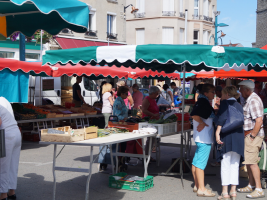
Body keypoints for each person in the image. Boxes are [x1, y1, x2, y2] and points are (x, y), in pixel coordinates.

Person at [214, 86, 244, 200]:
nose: (221, 95)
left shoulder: (225, 103)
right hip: (238, 137)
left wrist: (217, 132)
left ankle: (225, 192)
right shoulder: (240, 106)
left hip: (226, 137)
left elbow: (222, 118)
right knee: (235, 165)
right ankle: (233, 191)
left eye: (222, 93)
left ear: (227, 94)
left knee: (225, 164)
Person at [237, 80, 265, 199]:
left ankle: (258, 189)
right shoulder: (249, 99)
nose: (240, 91)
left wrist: (252, 136)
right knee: (249, 161)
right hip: (249, 135)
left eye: (241, 89)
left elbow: (259, 120)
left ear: (247, 90)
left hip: (252, 135)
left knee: (253, 163)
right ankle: (251, 185)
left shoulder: (253, 100)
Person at [190, 84, 216, 197]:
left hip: (201, 137)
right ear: (206, 93)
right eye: (212, 92)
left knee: (196, 162)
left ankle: (197, 186)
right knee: (200, 164)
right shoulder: (203, 102)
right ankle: (201, 188)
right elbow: (194, 114)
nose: (214, 94)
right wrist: (201, 123)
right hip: (204, 138)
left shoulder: (201, 101)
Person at [0, 97, 21, 200]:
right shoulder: (4, 99)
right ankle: (12, 192)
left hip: (6, 135)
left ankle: (3, 194)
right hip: (16, 132)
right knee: (13, 165)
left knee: (3, 167)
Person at [142, 86, 160, 161]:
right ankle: (146, 156)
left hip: (154, 121)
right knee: (150, 140)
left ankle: (148, 156)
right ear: (152, 93)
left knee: (153, 140)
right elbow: (144, 110)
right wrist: (153, 115)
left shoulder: (154, 99)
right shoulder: (147, 99)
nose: (157, 95)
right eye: (156, 93)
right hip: (149, 121)